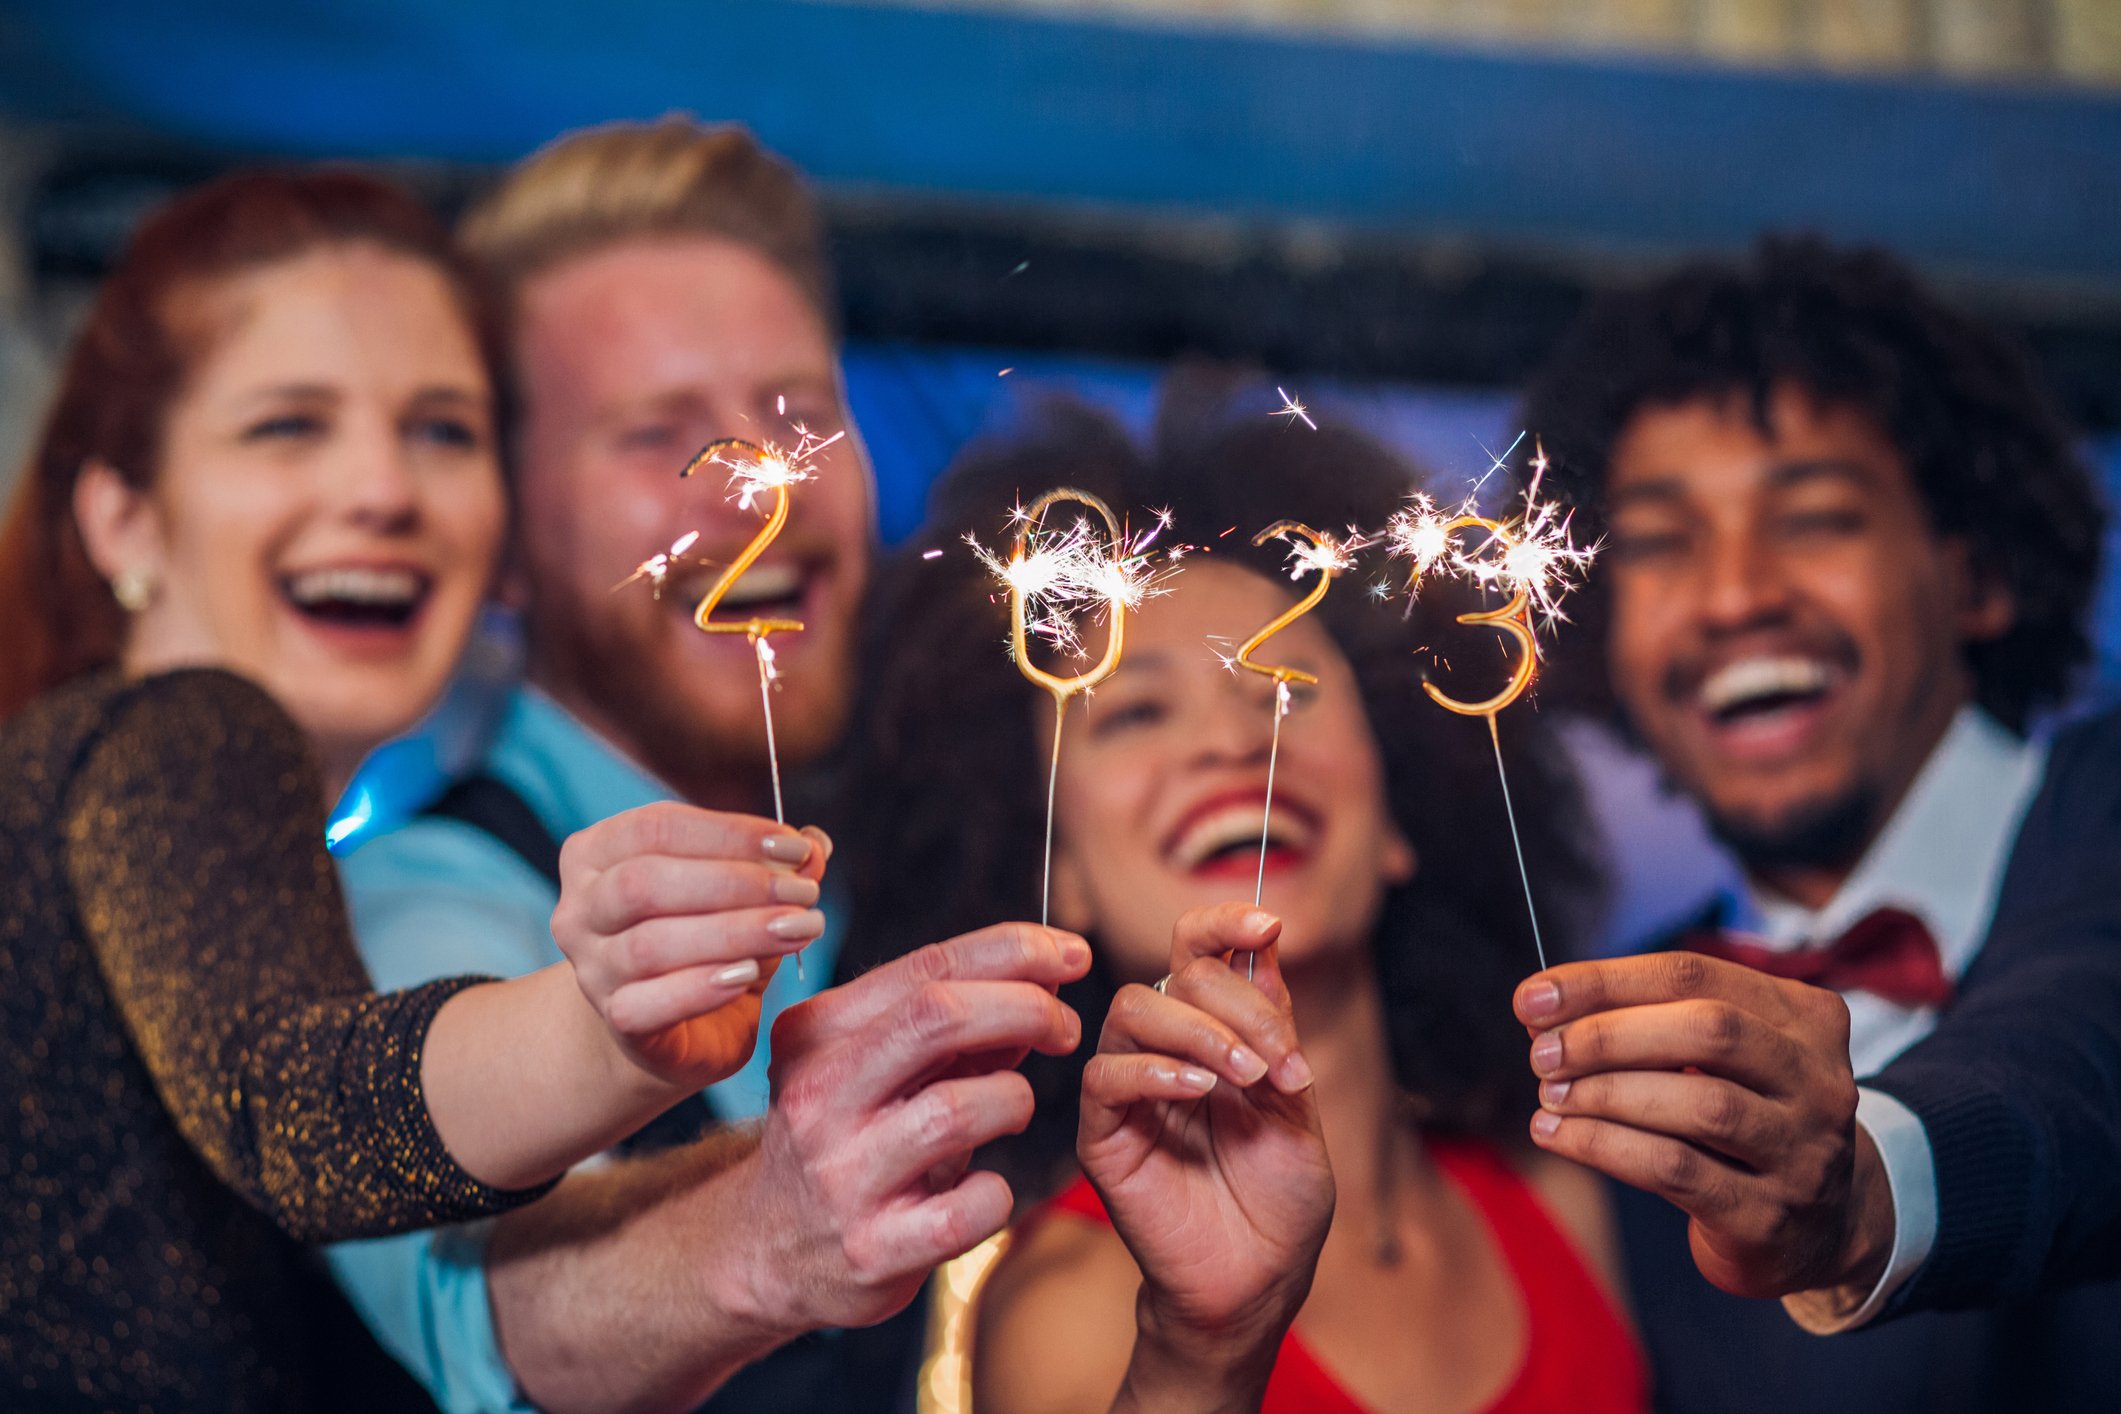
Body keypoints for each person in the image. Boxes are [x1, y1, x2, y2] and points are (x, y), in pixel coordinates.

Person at [0, 169, 848, 1411]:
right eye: (287, 424)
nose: (383, 490)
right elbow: (292, 1102)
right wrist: (607, 1024)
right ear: (124, 518)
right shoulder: (181, 733)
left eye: (441, 429)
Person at [324, 119, 1089, 1414]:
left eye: (798, 419)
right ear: (502, 538)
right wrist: (762, 1224)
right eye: (654, 434)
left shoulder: (938, 847)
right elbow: (491, 1309)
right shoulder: (420, 901)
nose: (760, 494)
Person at [837, 398, 1648, 1413]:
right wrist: (1201, 1354)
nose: (1232, 745)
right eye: (1135, 710)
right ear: (1058, 872)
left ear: (1402, 812)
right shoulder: (1068, 1308)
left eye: (1286, 690)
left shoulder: (1562, 1200)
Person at [1509, 236, 2120, 1409]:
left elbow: (2085, 1042)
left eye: (1817, 518)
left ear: (1976, 573)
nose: (1736, 593)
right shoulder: (1588, 1046)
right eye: (1659, 543)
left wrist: (1866, 1185)